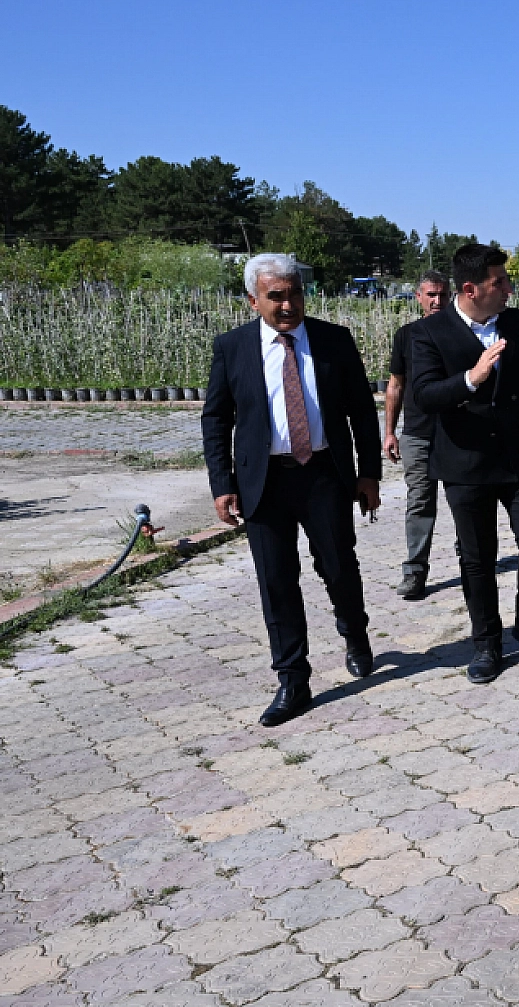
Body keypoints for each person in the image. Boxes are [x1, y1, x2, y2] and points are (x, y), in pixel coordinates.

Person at [201, 253, 382, 727]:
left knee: (339, 565)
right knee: (276, 580)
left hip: (325, 474)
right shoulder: (233, 347)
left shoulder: (333, 341)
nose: (287, 305)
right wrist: (222, 484)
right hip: (264, 481)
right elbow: (216, 419)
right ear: (253, 300)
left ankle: (354, 633)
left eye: (293, 293)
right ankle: (293, 678)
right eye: (275, 296)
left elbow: (362, 410)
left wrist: (369, 474)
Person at [409, 244, 519, 684]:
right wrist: (471, 378)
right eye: (498, 283)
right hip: (465, 463)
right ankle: (486, 641)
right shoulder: (429, 332)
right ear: (470, 289)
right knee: (478, 558)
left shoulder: (515, 321)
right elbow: (426, 395)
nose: (507, 289)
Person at [383, 271, 450, 600]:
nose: (437, 300)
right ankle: (415, 569)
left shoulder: (460, 333)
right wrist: (390, 432)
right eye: (431, 295)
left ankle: (471, 559)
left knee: (465, 500)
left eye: (442, 294)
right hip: (418, 434)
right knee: (420, 501)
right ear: (419, 297)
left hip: (455, 434)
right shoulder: (406, 335)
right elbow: (395, 386)